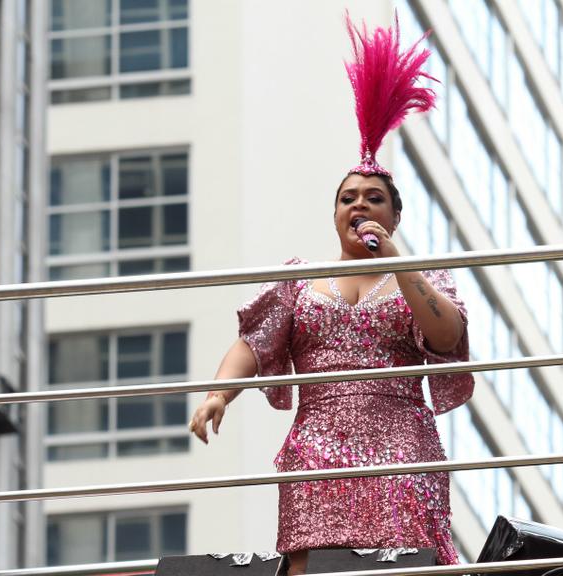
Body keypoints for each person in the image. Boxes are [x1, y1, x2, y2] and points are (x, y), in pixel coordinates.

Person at [189, 14, 474, 573]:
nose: (359, 205)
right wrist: (219, 394)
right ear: (335, 214)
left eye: (373, 197)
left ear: (394, 216)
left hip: (401, 446)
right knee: (308, 565)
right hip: (315, 448)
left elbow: (445, 335)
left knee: (400, 565)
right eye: (348, 198)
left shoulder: (420, 276)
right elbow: (253, 342)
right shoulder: (300, 278)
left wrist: (399, 260)